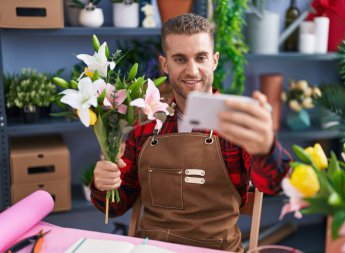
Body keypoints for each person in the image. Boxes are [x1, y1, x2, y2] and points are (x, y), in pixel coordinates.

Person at [91, 13, 291, 253]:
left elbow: (275, 184)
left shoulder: (236, 127)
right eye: (180, 59)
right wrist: (103, 184)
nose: (192, 70)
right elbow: (115, 207)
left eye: (201, 57)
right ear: (165, 64)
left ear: (214, 61)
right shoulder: (143, 130)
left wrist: (266, 148)